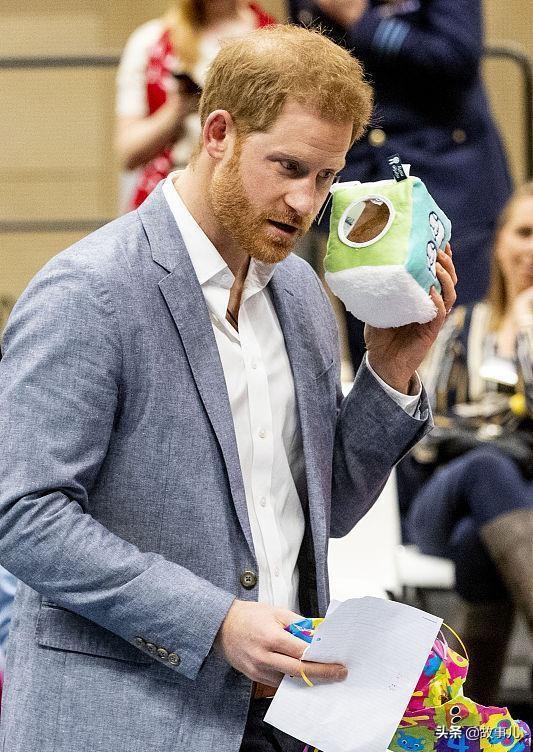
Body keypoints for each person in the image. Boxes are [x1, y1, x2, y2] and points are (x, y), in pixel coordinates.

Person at [0, 25, 457, 752]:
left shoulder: (303, 295)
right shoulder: (89, 291)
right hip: (120, 720)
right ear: (218, 133)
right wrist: (212, 621)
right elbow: (24, 516)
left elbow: (326, 510)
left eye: (326, 177)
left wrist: (391, 370)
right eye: (288, 166)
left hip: (279, 720)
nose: (305, 201)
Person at [289, 0, 513, 370]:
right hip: (362, 184)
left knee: (458, 347)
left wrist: (361, 19)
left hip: (445, 180)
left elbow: (456, 57)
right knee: (374, 352)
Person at [403, 183, 533, 705]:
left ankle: (471, 719)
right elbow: (426, 436)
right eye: (524, 233)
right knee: (487, 468)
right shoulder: (460, 325)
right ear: (499, 243)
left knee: (478, 540)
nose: (532, 249)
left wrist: (528, 338)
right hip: (442, 499)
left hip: (504, 519)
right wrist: (503, 432)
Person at [115, 0, 274, 210]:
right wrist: (177, 110)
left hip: (248, 196)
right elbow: (128, 152)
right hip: (171, 196)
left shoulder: (273, 40)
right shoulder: (151, 41)